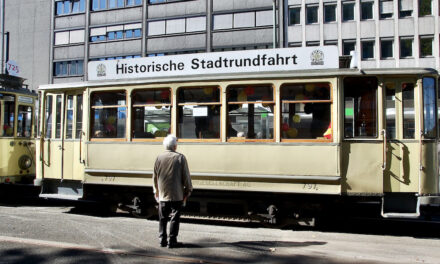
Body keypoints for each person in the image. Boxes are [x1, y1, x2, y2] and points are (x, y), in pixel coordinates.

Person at [153, 134, 193, 248]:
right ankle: (172, 241)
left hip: (163, 193)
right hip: (177, 193)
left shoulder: (159, 158)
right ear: (175, 146)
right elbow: (186, 176)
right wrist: (188, 189)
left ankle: (162, 239)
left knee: (162, 217)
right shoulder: (180, 158)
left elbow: (155, 177)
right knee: (175, 217)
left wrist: (156, 191)